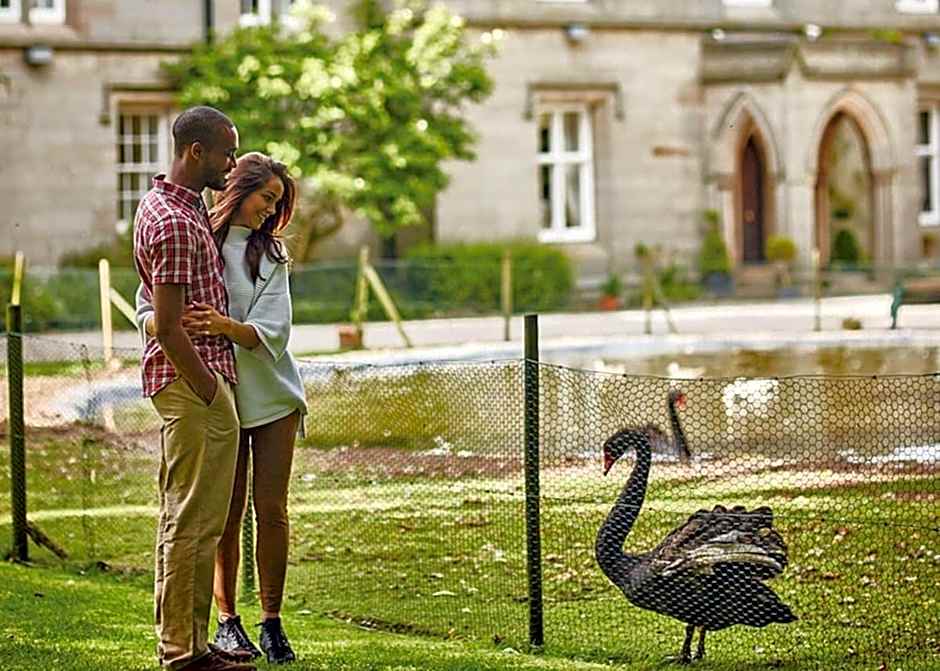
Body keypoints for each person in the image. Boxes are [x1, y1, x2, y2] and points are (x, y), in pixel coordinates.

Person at [138, 152, 308, 665]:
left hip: (273, 396)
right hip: (222, 395)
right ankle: (228, 622)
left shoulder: (271, 256)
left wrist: (222, 326)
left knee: (271, 511)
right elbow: (148, 307)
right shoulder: (192, 237)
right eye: (266, 198)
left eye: (277, 204)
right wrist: (169, 329)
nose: (270, 211)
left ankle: (272, 622)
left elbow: (273, 330)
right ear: (240, 189)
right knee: (222, 515)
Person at [133, 106, 255, 671]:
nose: (232, 165)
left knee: (186, 518)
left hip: (192, 383)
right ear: (196, 151)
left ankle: (186, 646)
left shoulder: (167, 205)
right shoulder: (179, 222)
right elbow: (168, 322)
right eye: (227, 153)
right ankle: (184, 654)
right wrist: (210, 390)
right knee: (194, 520)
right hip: (192, 385)